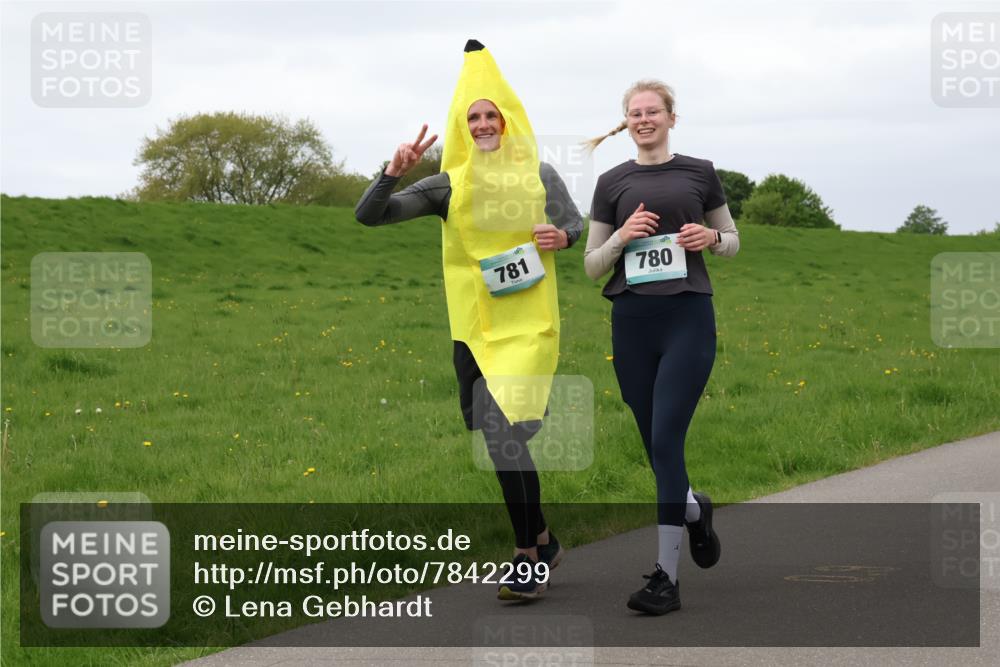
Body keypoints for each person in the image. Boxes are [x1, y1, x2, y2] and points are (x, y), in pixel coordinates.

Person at [355, 40, 583, 600]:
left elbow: (572, 226)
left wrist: (562, 237)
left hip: (527, 325)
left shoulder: (540, 173)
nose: (482, 124)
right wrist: (391, 172)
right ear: (464, 127)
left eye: (490, 115)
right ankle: (544, 540)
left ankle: (527, 558)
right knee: (501, 444)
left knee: (508, 434)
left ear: (508, 120)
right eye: (473, 117)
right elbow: (371, 215)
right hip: (475, 330)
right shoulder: (445, 185)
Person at [583, 79, 739, 615]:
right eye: (634, 113)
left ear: (672, 118)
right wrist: (622, 236)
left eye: (653, 111)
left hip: (687, 318)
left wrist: (711, 240)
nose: (643, 119)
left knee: (667, 439)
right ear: (625, 122)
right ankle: (694, 510)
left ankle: (666, 579)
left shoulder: (700, 172)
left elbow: (733, 241)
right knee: (653, 440)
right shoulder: (612, 181)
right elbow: (590, 264)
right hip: (631, 322)